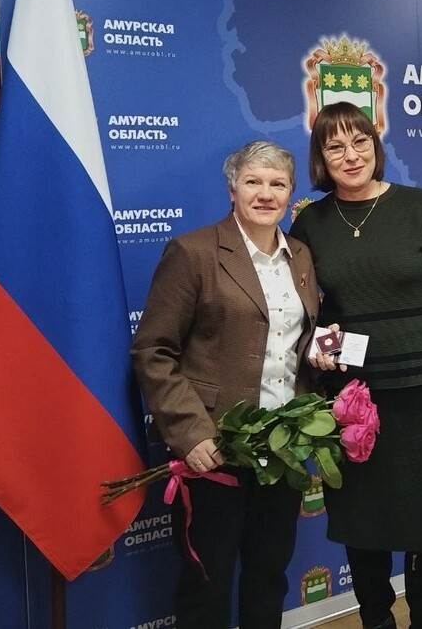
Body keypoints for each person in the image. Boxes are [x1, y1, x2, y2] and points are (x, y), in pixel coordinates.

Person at [290, 102, 422, 629]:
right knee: (363, 522)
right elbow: (302, 311)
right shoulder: (310, 222)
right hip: (352, 400)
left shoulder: (419, 207)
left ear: (375, 146)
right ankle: (375, 620)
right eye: (335, 146)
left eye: (360, 141)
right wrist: (319, 348)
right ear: (321, 158)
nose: (351, 155)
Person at [131, 141, 320, 629]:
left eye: (278, 184)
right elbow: (153, 350)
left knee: (268, 576)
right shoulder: (193, 252)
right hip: (214, 447)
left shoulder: (300, 255)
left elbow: (293, 342)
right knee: (207, 581)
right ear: (232, 189)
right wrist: (191, 434)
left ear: (291, 194)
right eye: (253, 181)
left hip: (283, 447)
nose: (266, 193)